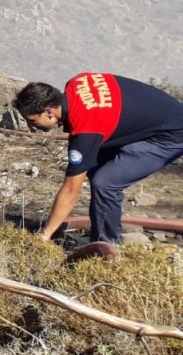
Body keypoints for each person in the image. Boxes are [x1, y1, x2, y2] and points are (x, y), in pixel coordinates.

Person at [14, 73, 183, 244]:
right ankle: (100, 234)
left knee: (106, 182)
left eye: (32, 120)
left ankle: (106, 248)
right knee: (95, 169)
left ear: (49, 112)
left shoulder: (86, 128)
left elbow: (71, 190)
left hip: (171, 134)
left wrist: (45, 235)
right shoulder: (76, 81)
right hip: (159, 117)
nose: (30, 127)